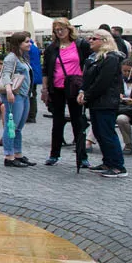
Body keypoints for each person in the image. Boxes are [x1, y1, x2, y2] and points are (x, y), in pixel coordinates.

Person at [41, 18, 90, 167]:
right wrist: (44, 89)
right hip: (57, 88)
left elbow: (88, 65)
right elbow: (46, 70)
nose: (60, 32)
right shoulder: (52, 48)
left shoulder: (80, 45)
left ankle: (82, 156)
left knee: (78, 121)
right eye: (57, 30)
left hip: (74, 87)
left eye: (62, 29)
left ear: (69, 29)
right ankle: (54, 154)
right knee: (57, 121)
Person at [79, 29, 127, 177]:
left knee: (107, 133)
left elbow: (102, 82)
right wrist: (82, 91)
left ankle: (118, 166)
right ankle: (108, 162)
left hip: (105, 101)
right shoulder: (94, 58)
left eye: (94, 39)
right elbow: (88, 79)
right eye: (90, 38)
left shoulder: (110, 58)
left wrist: (87, 95)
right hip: (97, 101)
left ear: (104, 41)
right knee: (100, 133)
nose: (90, 41)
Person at [0, 31, 35, 168]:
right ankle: (9, 156)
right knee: (11, 126)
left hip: (24, 95)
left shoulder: (21, 57)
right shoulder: (11, 58)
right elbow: (6, 75)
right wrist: (9, 91)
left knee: (18, 127)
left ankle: (18, 154)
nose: (29, 43)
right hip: (15, 95)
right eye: (26, 41)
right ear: (18, 43)